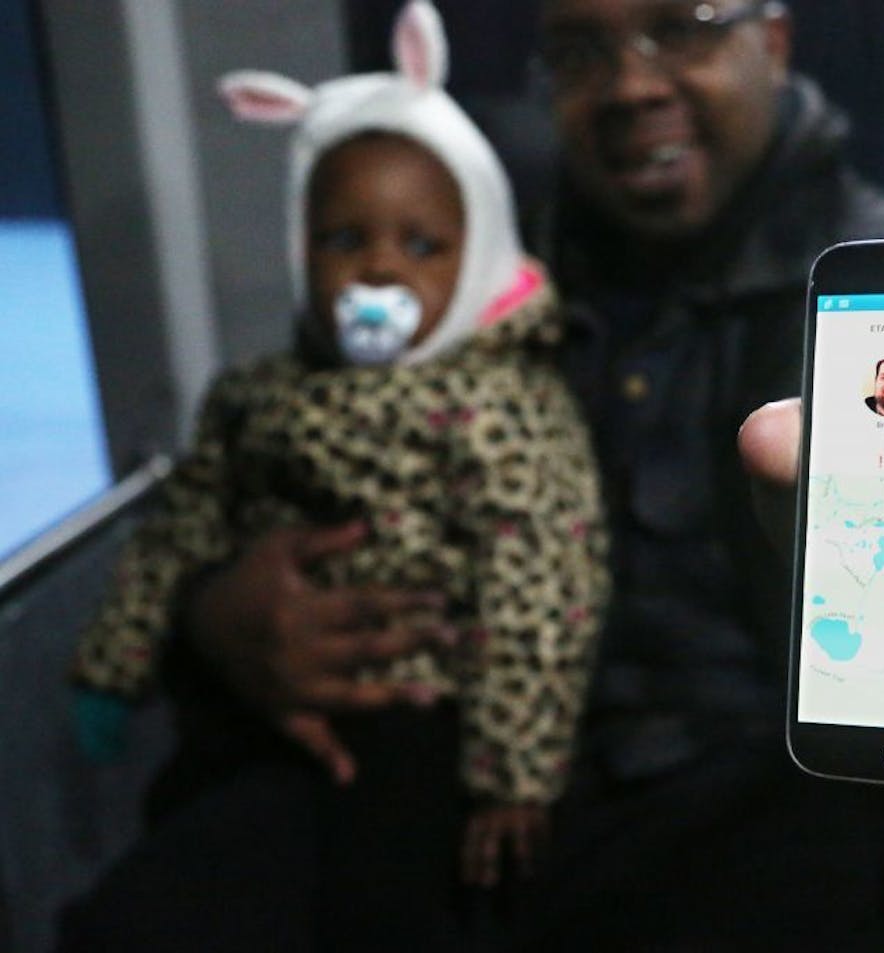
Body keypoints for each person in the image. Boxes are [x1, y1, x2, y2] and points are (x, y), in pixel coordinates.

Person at [64, 0, 884, 950]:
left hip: (749, 801)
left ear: (775, 42)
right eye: (581, 50)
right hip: (418, 769)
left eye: (676, 26)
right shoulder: (453, 245)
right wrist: (217, 615)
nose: (629, 85)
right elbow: (273, 468)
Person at [61, 3, 606, 949]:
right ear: (299, 246)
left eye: (420, 245)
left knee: (385, 905)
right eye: (345, 241)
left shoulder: (503, 406)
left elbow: (541, 583)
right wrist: (117, 660)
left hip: (425, 718)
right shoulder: (257, 395)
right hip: (257, 707)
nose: (379, 272)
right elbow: (182, 525)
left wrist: (515, 772)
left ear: (475, 250)